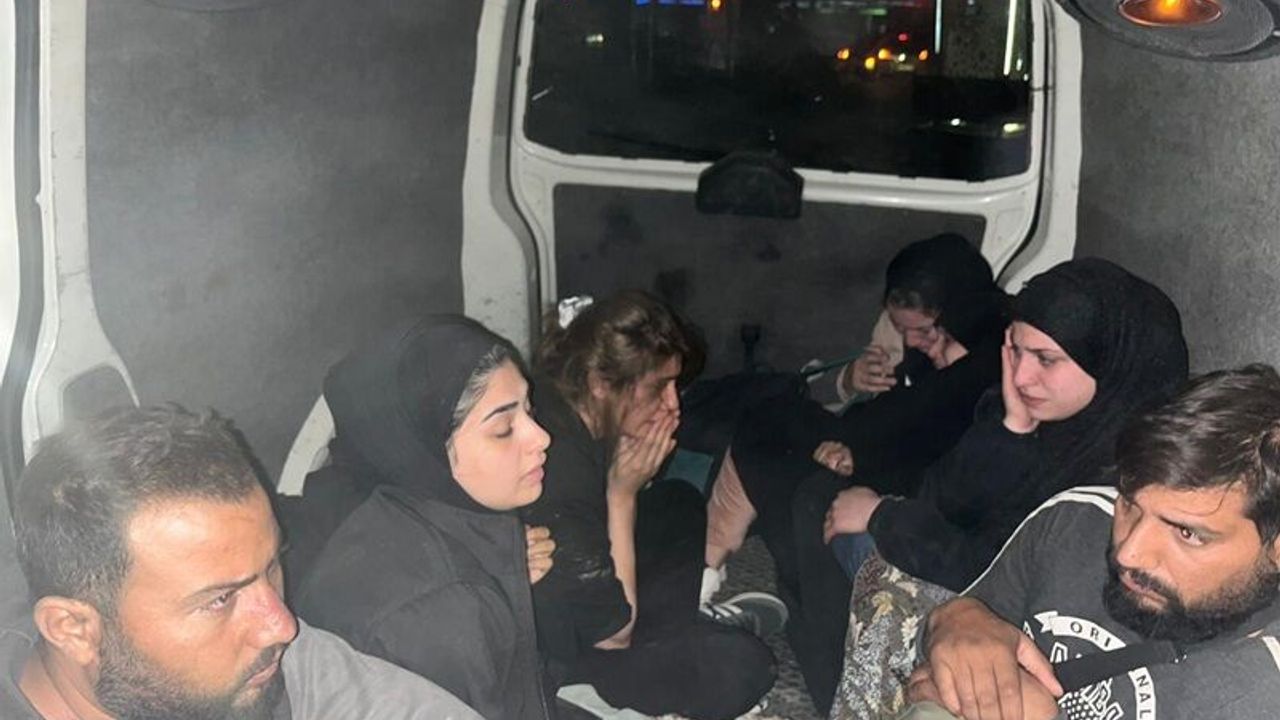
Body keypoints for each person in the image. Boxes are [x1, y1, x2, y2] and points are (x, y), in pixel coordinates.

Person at [3, 404, 482, 720]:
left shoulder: (257, 668)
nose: (281, 625)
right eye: (220, 600)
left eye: (272, 566)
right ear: (73, 630)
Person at [910, 364, 1280, 720]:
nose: (1129, 553)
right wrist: (952, 622)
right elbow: (943, 646)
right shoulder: (1075, 521)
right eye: (1129, 503)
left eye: (1187, 533)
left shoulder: (1264, 690)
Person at [824, 257, 1190, 591]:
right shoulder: (1038, 412)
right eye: (1015, 350)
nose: (1020, 376)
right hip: (969, 571)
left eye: (1046, 359)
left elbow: (1007, 578)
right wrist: (1011, 430)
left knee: (853, 536)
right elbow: (940, 500)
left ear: (1107, 361)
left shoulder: (1130, 472)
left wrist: (883, 516)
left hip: (1002, 617)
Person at [522, 290, 778, 720]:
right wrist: (622, 494)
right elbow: (612, 636)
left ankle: (675, 641)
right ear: (601, 384)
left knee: (677, 502)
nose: (673, 403)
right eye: (659, 387)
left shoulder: (581, 409)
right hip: (570, 660)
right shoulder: (560, 470)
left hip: (595, 597)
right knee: (745, 664)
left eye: (676, 386)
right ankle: (609, 695)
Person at [704, 233, 1010, 580]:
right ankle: (710, 563)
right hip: (869, 443)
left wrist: (856, 447)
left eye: (925, 331)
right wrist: (848, 381)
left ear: (958, 318)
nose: (911, 341)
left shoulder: (990, 359)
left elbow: (922, 417)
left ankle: (712, 563)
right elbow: (830, 389)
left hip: (908, 477)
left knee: (778, 443)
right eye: (900, 327)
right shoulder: (909, 338)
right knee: (769, 423)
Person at [295, 316, 553, 720]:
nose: (541, 437)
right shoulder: (441, 613)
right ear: (427, 451)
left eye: (529, 410)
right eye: (504, 427)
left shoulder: (392, 513)